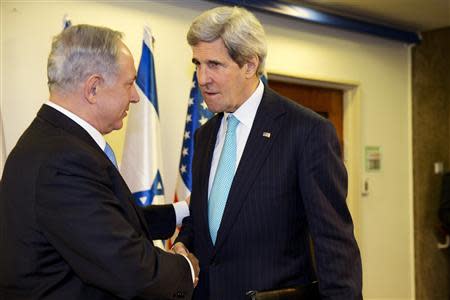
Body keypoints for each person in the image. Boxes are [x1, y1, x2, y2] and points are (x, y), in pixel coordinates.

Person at [172, 6, 362, 300]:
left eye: (214, 65)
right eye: (197, 63)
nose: (202, 78)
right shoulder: (205, 135)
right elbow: (207, 220)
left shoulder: (306, 131)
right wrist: (184, 243)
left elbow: (334, 245)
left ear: (250, 65)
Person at [0, 24, 199, 300]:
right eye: (129, 83)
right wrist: (186, 266)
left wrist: (181, 211)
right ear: (93, 88)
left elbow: (106, 218)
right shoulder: (63, 160)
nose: (136, 96)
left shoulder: (49, 142)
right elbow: (128, 267)